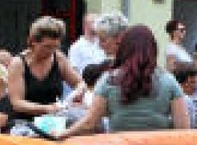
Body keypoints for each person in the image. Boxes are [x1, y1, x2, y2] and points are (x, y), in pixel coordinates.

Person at [61, 25, 189, 137]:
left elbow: (90, 123)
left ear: (124, 48)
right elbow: (183, 128)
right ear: (154, 49)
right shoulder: (169, 81)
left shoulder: (108, 80)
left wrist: (62, 135)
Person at [7, 16, 82, 119]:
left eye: (56, 46)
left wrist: (78, 92)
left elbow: (80, 83)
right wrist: (45, 108)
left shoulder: (59, 58)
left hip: (54, 122)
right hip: (24, 123)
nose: (51, 51)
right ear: (33, 42)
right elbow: (16, 103)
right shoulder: (18, 64)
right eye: (47, 47)